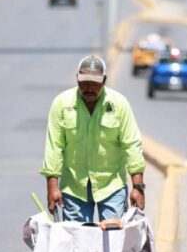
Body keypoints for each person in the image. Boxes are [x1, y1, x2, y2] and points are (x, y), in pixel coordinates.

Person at [40, 55, 146, 223]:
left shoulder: (119, 104)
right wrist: (52, 187)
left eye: (94, 83)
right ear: (77, 79)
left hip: (111, 185)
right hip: (74, 187)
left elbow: (132, 145)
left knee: (113, 239)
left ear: (104, 81)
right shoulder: (62, 104)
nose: (88, 88)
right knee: (77, 243)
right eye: (84, 82)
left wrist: (138, 187)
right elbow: (54, 147)